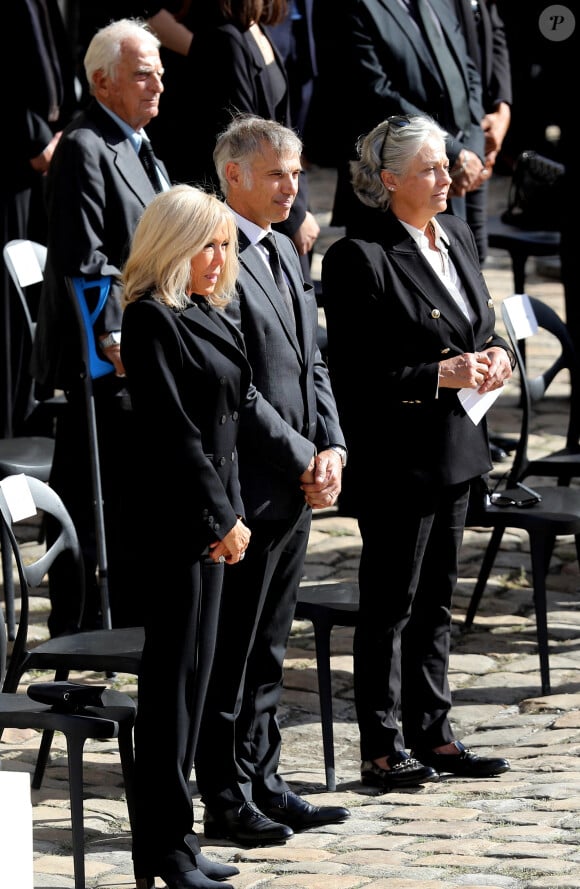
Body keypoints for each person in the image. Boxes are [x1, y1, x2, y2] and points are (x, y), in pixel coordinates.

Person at [121, 183, 324, 889]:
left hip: (218, 523)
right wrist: (224, 518)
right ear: (173, 244)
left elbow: (244, 409)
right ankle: (164, 850)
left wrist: (305, 457)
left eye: (225, 245)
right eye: (208, 244)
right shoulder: (150, 320)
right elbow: (176, 438)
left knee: (200, 683)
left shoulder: (207, 312)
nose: (219, 258)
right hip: (182, 529)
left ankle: (179, 836)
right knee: (171, 693)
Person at [321, 114, 514, 790]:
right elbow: (353, 378)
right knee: (391, 602)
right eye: (430, 169)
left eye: (445, 166)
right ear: (390, 179)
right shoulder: (359, 256)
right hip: (398, 457)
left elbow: (481, 321)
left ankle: (434, 730)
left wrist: (493, 357)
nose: (446, 177)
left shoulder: (456, 233)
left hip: (458, 446)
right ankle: (382, 744)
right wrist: (441, 374)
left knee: (438, 601)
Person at [194, 114, 350, 844]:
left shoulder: (288, 251)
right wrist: (300, 453)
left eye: (298, 172)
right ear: (233, 178)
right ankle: (224, 792)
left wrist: (333, 448)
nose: (294, 186)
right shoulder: (214, 250)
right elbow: (238, 385)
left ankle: (264, 776)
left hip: (298, 480)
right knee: (233, 646)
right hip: (247, 482)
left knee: (271, 646)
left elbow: (313, 362)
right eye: (277, 174)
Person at [31, 17, 171, 635]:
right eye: (143, 76)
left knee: (121, 497)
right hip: (102, 361)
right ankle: (75, 628)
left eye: (160, 75)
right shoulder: (87, 146)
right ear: (102, 82)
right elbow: (84, 258)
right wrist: (113, 340)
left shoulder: (144, 151)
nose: (157, 86)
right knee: (86, 497)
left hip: (148, 345)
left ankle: (122, 615)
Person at [314, 0, 488, 246]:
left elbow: (468, 71)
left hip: (462, 176)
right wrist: (455, 152)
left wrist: (474, 149)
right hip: (394, 196)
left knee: (463, 275)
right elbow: (374, 92)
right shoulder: (351, 7)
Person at [183, 0, 320, 282]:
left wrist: (299, 202)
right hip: (251, 220)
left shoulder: (256, 29)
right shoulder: (222, 39)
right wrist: (295, 215)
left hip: (281, 202)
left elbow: (287, 135)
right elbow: (247, 145)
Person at [2, 0, 78, 437]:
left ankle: (26, 414)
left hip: (41, 161)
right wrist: (35, 142)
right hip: (17, 164)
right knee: (10, 310)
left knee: (29, 303)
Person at [450, 0, 512, 264]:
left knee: (474, 254)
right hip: (449, 135)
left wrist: (502, 111)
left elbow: (495, 32)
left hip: (481, 129)